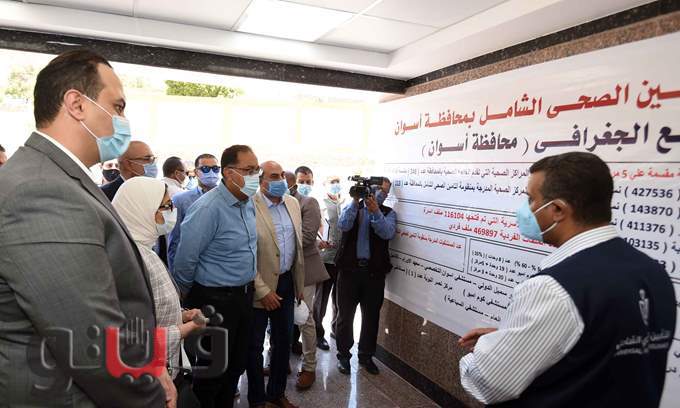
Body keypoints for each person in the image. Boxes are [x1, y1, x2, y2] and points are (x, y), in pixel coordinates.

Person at [0, 50, 170, 407]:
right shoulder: (43, 190)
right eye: (118, 107)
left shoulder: (57, 176)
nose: (123, 120)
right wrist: (149, 398)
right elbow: (91, 342)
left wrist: (152, 366)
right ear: (77, 105)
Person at [458, 152, 676, 407]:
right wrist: (518, 341)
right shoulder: (653, 272)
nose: (525, 209)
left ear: (558, 210)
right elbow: (598, 350)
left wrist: (487, 352)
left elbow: (488, 382)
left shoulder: (553, 289)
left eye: (531, 199)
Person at [173, 144, 259, 408]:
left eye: (257, 169)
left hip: (244, 296)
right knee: (212, 373)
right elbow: (186, 259)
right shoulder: (208, 208)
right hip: (215, 301)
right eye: (249, 170)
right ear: (229, 173)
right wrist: (186, 296)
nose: (255, 175)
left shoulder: (247, 202)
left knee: (236, 366)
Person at [112, 177, 206, 380]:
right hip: (147, 377)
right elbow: (134, 340)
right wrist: (188, 328)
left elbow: (150, 309)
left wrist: (181, 315)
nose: (172, 211)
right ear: (142, 210)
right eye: (166, 206)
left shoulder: (144, 249)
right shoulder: (130, 261)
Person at [247, 161, 304, 408]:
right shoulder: (249, 205)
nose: (281, 179)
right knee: (254, 346)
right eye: (274, 176)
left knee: (284, 341)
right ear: (261, 181)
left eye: (282, 174)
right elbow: (245, 253)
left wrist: (298, 283)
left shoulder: (292, 203)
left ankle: (276, 393)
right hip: (258, 286)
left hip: (287, 282)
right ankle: (257, 399)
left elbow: (297, 246)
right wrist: (262, 290)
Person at [335, 177, 396, 375]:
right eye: (376, 190)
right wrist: (354, 200)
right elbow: (343, 225)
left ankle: (366, 356)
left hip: (374, 274)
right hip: (349, 273)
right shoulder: (352, 207)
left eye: (383, 192)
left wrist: (375, 211)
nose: (379, 194)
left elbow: (387, 233)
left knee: (371, 317)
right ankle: (344, 356)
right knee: (345, 316)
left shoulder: (388, 213)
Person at [287, 167, 329, 390]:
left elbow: (307, 237)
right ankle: (279, 361)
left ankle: (309, 367)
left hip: (304, 270)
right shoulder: (267, 204)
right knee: (279, 319)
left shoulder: (308, 203)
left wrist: (273, 247)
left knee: (305, 318)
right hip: (279, 271)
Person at [167, 153, 219, 271]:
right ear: (196, 172)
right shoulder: (181, 200)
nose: (211, 173)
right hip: (194, 269)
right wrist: (175, 274)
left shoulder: (228, 199)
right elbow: (175, 241)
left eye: (215, 169)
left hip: (221, 268)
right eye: (205, 169)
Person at [314, 175, 344, 350]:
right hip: (325, 258)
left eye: (337, 181)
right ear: (324, 184)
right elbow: (316, 227)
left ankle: (336, 329)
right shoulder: (320, 203)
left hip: (342, 260)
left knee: (339, 299)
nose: (335, 185)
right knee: (321, 299)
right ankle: (318, 334)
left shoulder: (345, 203)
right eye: (332, 182)